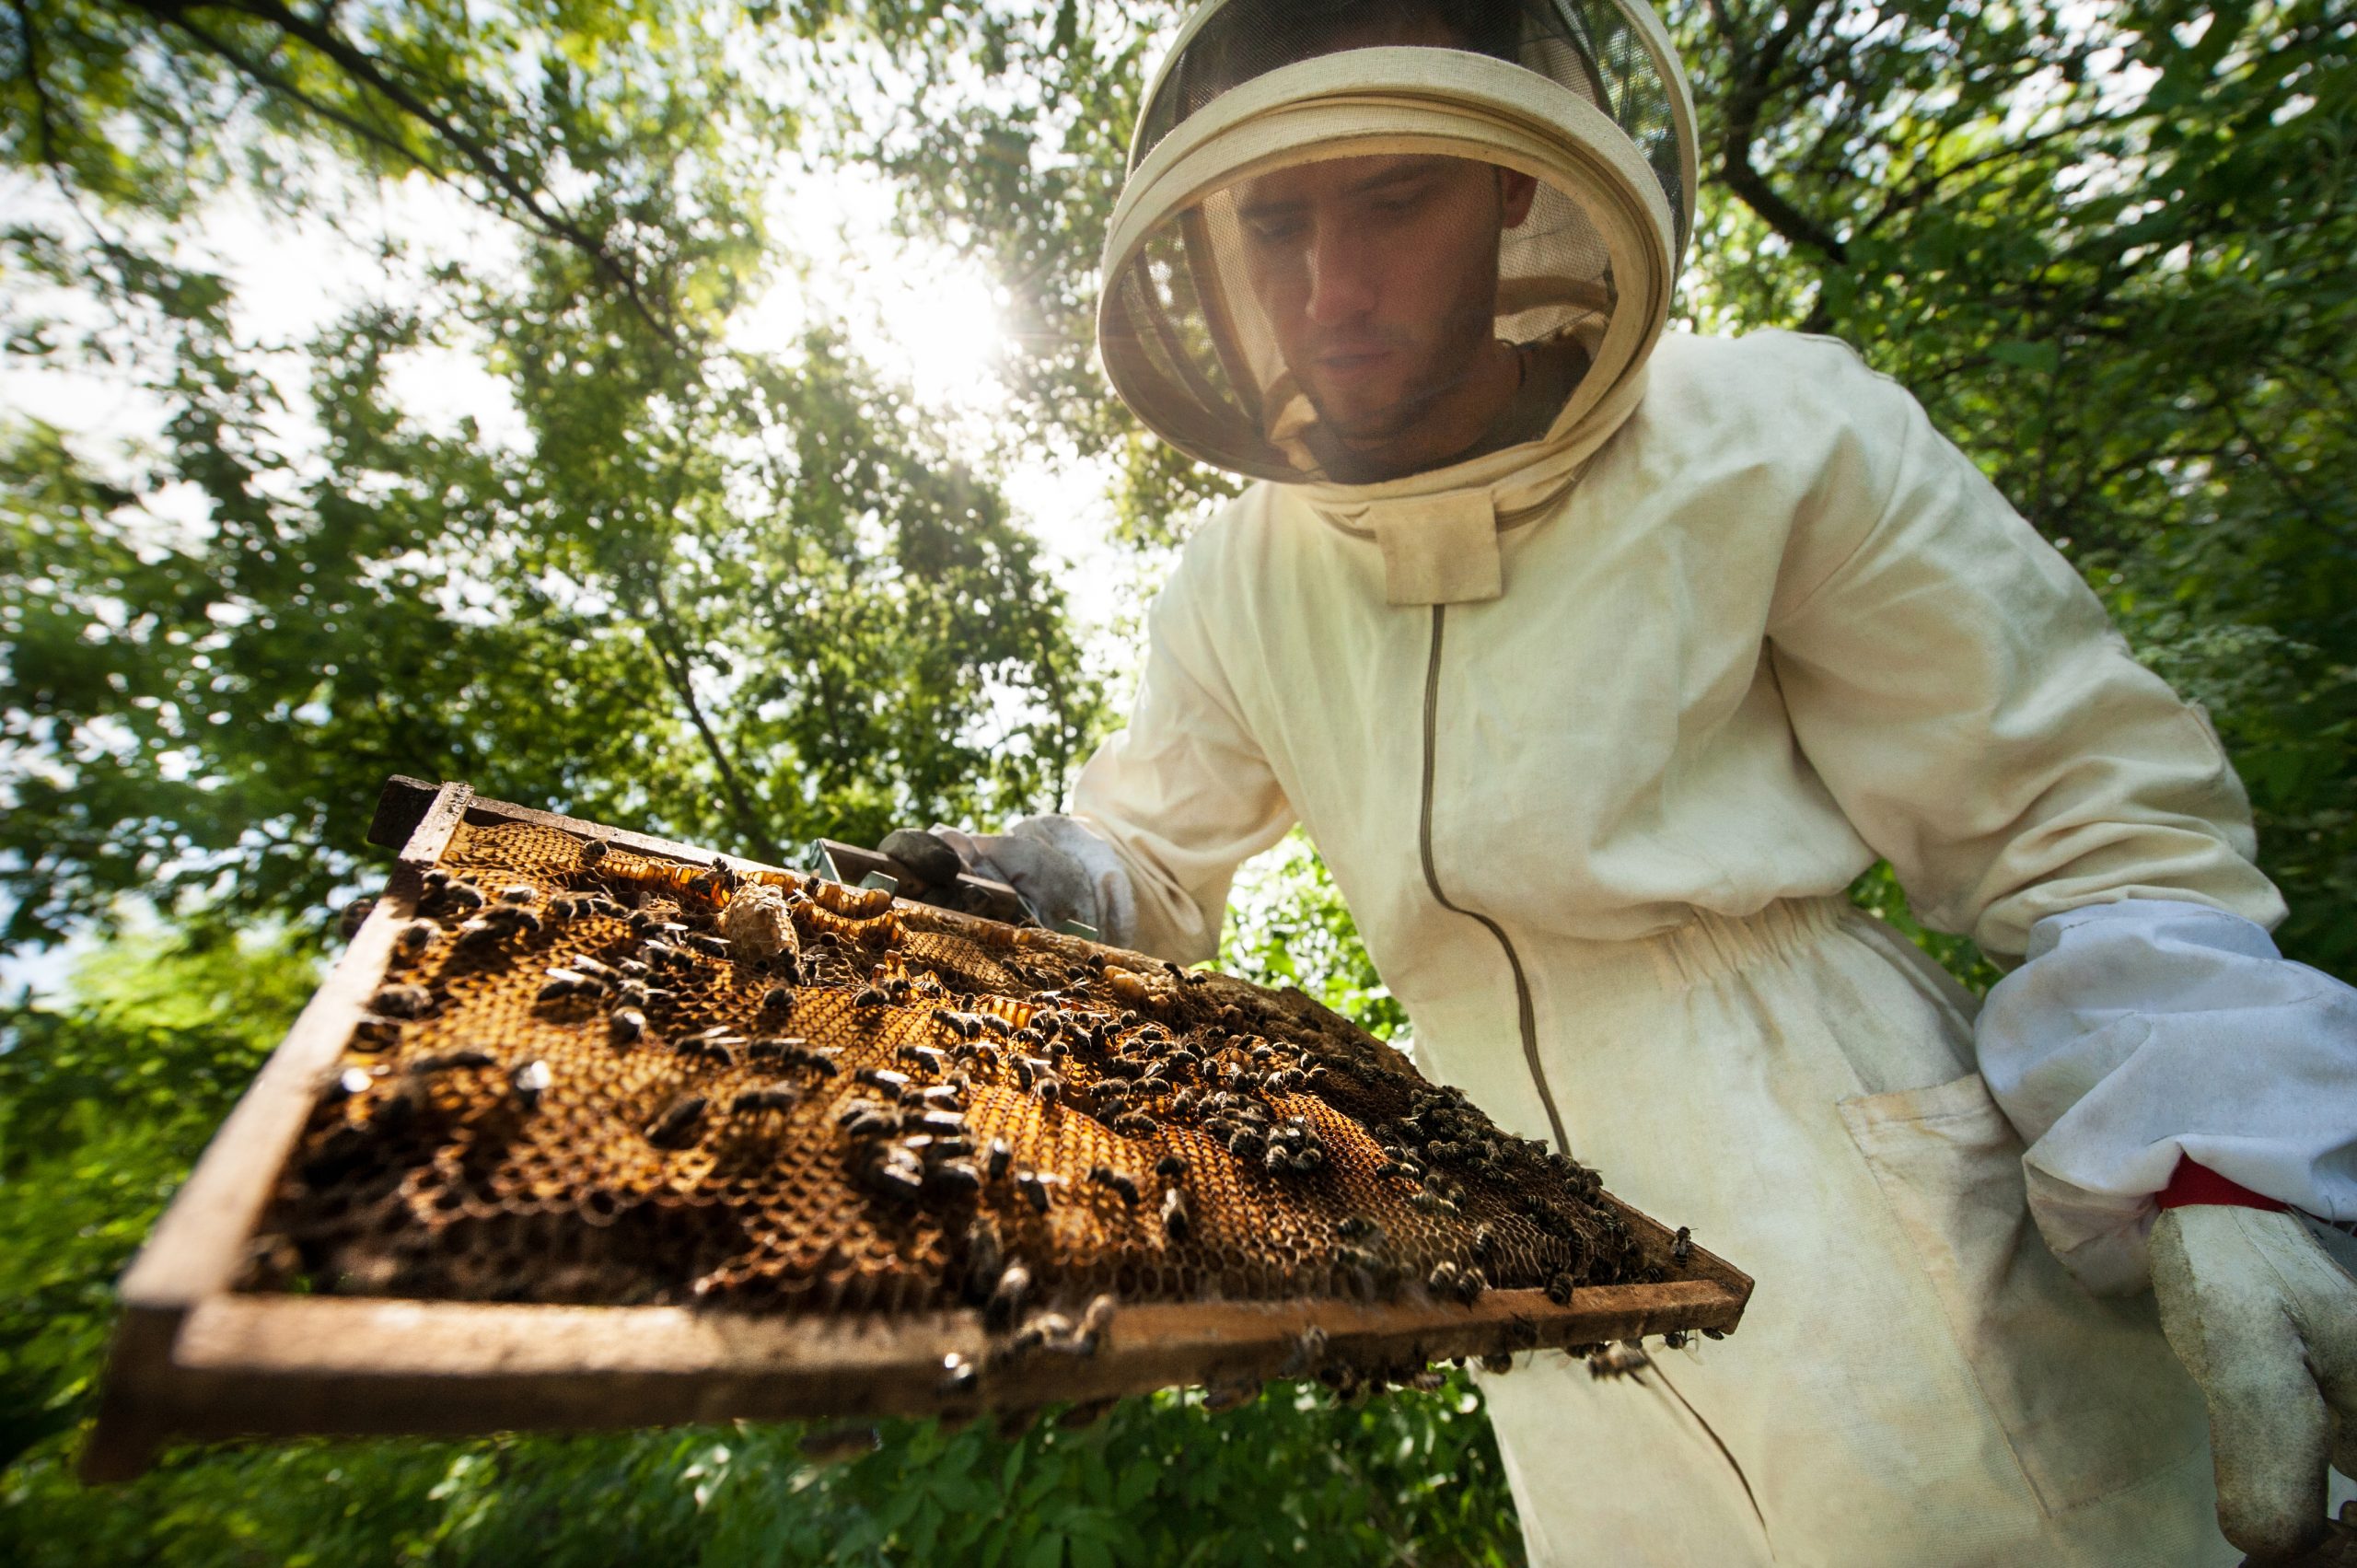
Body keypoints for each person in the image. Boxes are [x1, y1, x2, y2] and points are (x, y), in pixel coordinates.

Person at [908, 0, 2357, 1560]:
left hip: (1877, 1226)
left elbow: (2081, 823)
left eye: (1396, 199)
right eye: (1275, 223)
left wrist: (2214, 1158)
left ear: (1517, 180)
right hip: (1536, 1282)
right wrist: (1041, 880)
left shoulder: (1771, 432)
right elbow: (1150, 855)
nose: (1329, 288)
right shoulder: (1234, 576)